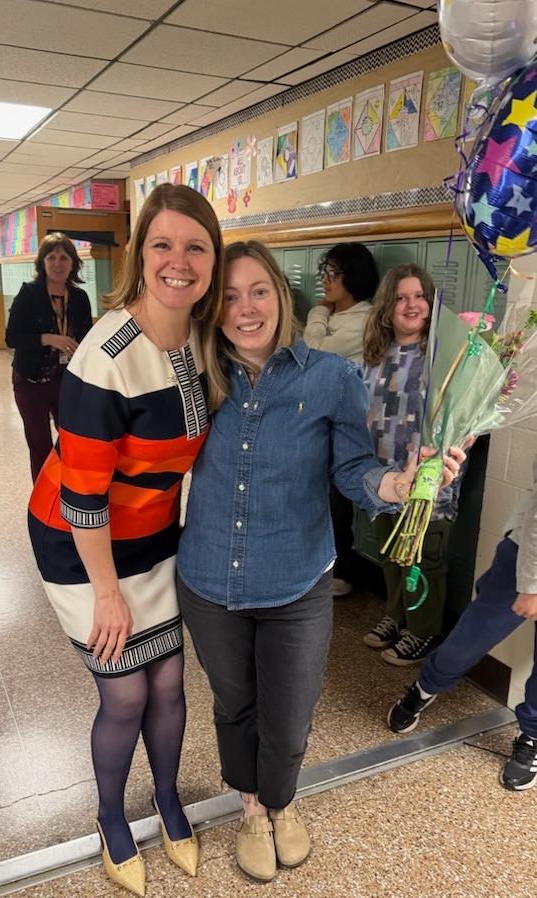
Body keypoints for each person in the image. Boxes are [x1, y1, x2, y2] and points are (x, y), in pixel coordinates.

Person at [176, 241, 462, 884]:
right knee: (234, 702)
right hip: (209, 579)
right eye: (228, 294)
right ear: (212, 307)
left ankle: (282, 799)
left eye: (258, 291)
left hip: (297, 577)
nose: (245, 308)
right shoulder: (196, 377)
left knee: (293, 706)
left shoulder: (330, 376)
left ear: (282, 294)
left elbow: (355, 467)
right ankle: (252, 809)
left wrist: (397, 484)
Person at [27, 184, 224, 896]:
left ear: (212, 260)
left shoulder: (202, 337)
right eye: (163, 244)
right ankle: (111, 817)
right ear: (140, 254)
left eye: (195, 247)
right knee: (125, 697)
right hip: (79, 541)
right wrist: (107, 594)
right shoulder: (105, 355)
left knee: (169, 682)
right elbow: (82, 498)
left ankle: (166, 801)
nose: (179, 261)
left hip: (151, 534)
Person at [388, 449, 537, 791]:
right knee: (473, 635)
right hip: (526, 555)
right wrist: (531, 583)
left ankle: (532, 736)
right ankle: (425, 688)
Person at [361, 263, 466, 666]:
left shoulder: (445, 356)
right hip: (385, 479)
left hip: (430, 485)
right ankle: (396, 615)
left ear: (431, 301)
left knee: (424, 558)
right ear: (387, 307)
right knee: (392, 554)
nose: (412, 305)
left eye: (419, 296)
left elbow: (462, 421)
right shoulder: (375, 355)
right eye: (401, 297)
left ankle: (423, 630)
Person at [303, 242, 380, 597]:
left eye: (333, 274)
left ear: (355, 278)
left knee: (337, 500)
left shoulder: (363, 319)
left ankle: (342, 572)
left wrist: (318, 311)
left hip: (346, 425)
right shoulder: (340, 316)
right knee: (320, 496)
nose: (326, 281)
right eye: (325, 272)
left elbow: (314, 352)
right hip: (321, 419)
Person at [5, 232, 93, 482]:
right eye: (51, 257)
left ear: (73, 263)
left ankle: (70, 491)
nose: (57, 264)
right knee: (40, 445)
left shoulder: (79, 298)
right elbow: (12, 337)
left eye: (64, 258)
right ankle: (44, 503)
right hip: (31, 381)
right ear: (42, 263)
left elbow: (87, 338)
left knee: (73, 439)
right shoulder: (29, 294)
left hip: (67, 381)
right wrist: (49, 339)